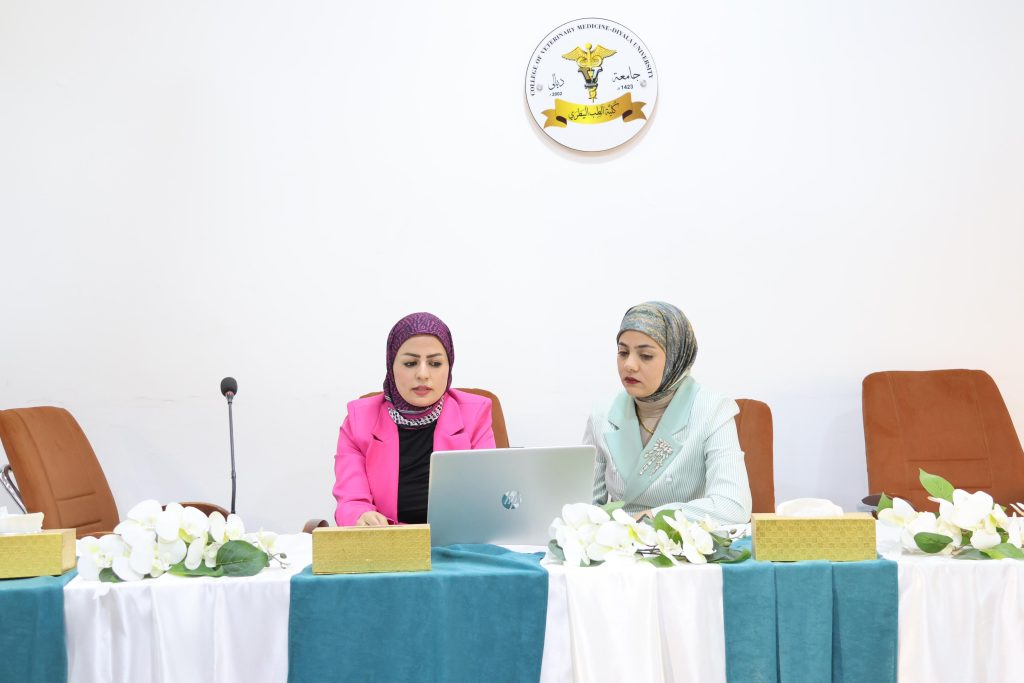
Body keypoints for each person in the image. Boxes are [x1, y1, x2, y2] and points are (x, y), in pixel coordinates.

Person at [584, 301, 752, 525]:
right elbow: (584, 506)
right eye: (623, 352)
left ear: (676, 358)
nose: (629, 365)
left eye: (646, 355)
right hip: (618, 542)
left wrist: (654, 517)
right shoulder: (602, 413)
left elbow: (733, 507)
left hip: (683, 539)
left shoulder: (712, 410)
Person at [333, 312, 495, 526]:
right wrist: (360, 516)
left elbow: (487, 495)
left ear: (449, 366)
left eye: (435, 363)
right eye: (410, 363)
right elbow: (351, 501)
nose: (423, 374)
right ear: (391, 366)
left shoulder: (474, 414)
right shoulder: (359, 420)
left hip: (456, 539)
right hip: (389, 540)